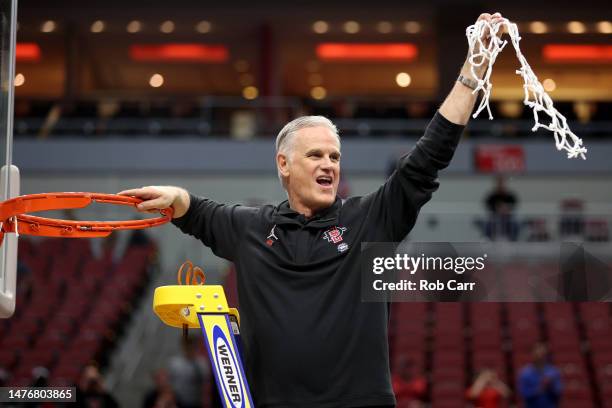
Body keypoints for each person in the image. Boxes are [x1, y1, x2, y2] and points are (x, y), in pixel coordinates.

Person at [119, 12, 506, 407]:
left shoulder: (369, 221)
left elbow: (428, 158)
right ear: (284, 165)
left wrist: (472, 71)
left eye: (335, 156)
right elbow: (196, 211)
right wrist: (174, 195)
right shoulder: (250, 227)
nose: (329, 165)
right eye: (316, 155)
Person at [167, 336, 209, 408]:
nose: (189, 349)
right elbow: (169, 381)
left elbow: (205, 380)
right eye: (187, 347)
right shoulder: (175, 363)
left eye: (192, 347)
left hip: (196, 401)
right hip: (178, 400)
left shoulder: (201, 363)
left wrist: (194, 361)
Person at [518, 343, 562, 408]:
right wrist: (540, 389)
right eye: (537, 354)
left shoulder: (553, 372)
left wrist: (550, 386)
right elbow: (524, 394)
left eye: (542, 354)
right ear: (533, 355)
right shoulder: (525, 373)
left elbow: (558, 392)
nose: (540, 357)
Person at [483, 175, 519, 241]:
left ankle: (512, 241)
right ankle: (490, 240)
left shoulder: (510, 196)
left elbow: (514, 206)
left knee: (515, 224)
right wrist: (497, 209)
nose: (501, 184)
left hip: (508, 218)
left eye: (502, 183)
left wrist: (506, 209)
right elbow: (488, 206)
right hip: (495, 217)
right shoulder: (492, 196)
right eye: (499, 183)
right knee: (487, 224)